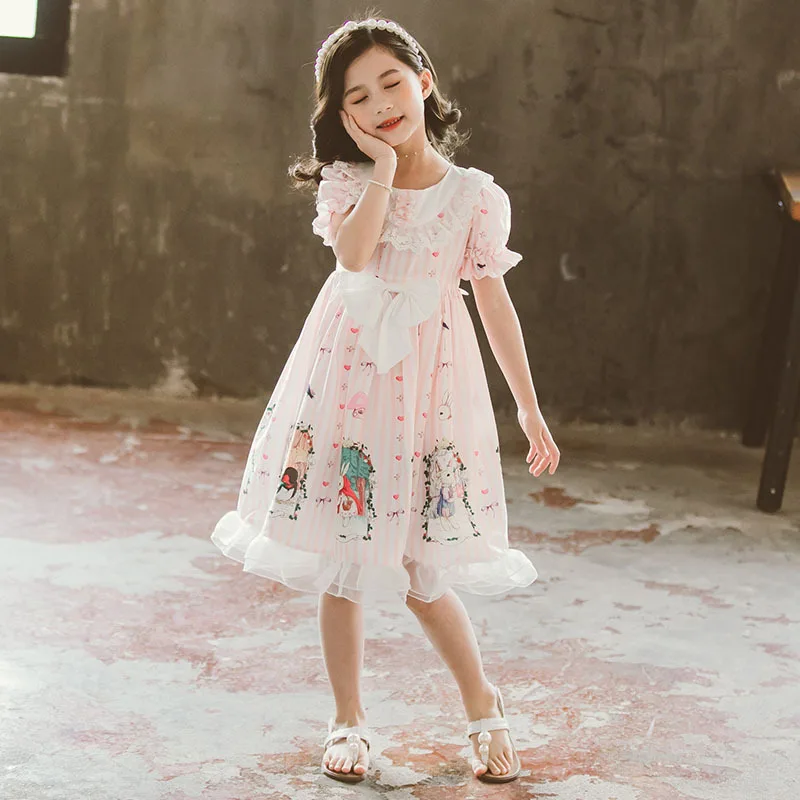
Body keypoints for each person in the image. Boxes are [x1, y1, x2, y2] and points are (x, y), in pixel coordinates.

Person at [210, 13, 560, 786]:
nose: (380, 105)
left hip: (430, 389)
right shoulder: (351, 182)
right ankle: (349, 719)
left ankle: (483, 704)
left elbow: (494, 303)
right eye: (358, 97)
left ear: (424, 83)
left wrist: (528, 407)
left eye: (391, 84)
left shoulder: (473, 196)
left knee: (421, 572)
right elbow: (355, 255)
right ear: (343, 116)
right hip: (348, 381)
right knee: (344, 559)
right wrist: (380, 168)